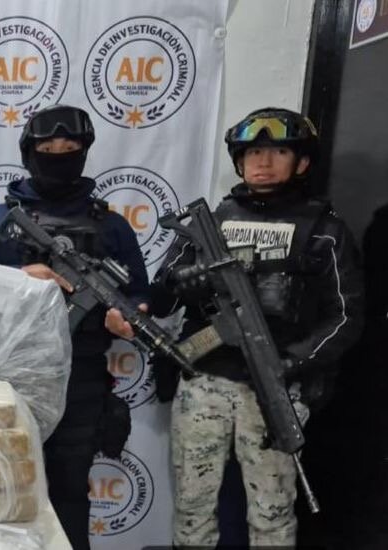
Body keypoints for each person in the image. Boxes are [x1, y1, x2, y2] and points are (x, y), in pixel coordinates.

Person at [108, 107, 364, 547]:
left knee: (272, 513)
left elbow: (346, 316)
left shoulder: (324, 230)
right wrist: (176, 286)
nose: (263, 162)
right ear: (239, 161)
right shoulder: (211, 223)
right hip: (204, 381)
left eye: (278, 152)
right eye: (253, 153)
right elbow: (162, 294)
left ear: (302, 162)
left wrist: (290, 363)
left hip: (276, 386)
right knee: (192, 510)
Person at [0, 104, 148, 549]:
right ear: (29, 153)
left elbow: (140, 293)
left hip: (81, 379)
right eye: (48, 148)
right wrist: (18, 277)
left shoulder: (112, 226)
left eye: (69, 147)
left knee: (69, 492)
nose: (59, 155)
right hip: (6, 376)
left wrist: (129, 318)